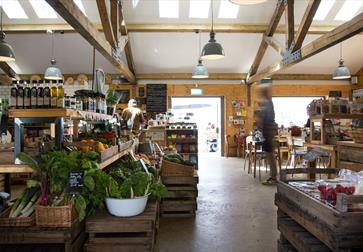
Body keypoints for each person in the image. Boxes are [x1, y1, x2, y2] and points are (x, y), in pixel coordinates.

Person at [258, 86, 278, 185]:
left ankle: (273, 177)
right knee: (269, 154)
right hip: (267, 131)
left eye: (262, 92)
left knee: (270, 154)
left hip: (268, 131)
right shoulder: (267, 103)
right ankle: (273, 175)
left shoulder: (268, 104)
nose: (260, 94)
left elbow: (268, 119)